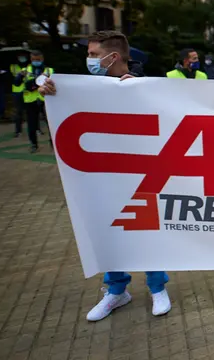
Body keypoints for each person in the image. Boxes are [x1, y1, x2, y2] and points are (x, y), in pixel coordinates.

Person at [38, 31, 173, 321]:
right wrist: (50, 95)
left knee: (146, 229)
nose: (88, 60)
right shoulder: (82, 87)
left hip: (141, 175)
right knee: (107, 230)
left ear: (113, 57)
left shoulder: (145, 84)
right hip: (102, 176)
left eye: (93, 54)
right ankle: (115, 290)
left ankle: (157, 287)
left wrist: (142, 91)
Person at [15, 51, 52, 152]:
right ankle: (33, 144)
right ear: (30, 59)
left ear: (42, 59)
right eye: (33, 60)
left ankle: (53, 143)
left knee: (50, 123)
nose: (36, 61)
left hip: (46, 100)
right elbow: (17, 84)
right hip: (30, 101)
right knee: (31, 124)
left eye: (38, 60)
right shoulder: (25, 70)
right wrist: (19, 76)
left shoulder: (49, 70)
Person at [9, 55, 29, 137]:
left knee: (31, 112)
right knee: (18, 112)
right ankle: (18, 131)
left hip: (28, 91)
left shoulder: (29, 66)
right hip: (17, 91)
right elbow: (13, 78)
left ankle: (37, 129)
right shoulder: (13, 66)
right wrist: (20, 75)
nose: (21, 58)